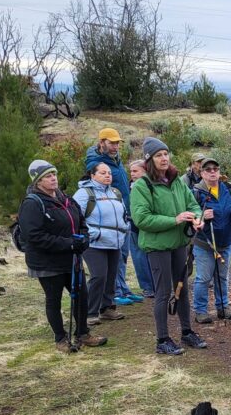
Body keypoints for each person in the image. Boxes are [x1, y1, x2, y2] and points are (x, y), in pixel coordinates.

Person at [17, 160, 107, 352]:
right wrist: (68, 243)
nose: (53, 178)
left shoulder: (66, 198)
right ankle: (60, 339)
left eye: (54, 174)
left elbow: (81, 222)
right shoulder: (32, 203)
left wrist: (83, 239)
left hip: (71, 259)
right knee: (54, 299)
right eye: (48, 176)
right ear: (38, 181)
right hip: (47, 263)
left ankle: (82, 333)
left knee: (82, 296)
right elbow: (34, 236)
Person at [130, 137, 208, 356]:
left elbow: (192, 204)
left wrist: (197, 218)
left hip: (179, 244)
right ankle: (162, 339)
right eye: (158, 155)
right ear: (149, 160)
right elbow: (142, 219)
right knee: (163, 293)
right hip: (157, 247)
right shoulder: (142, 186)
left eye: (165, 154)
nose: (164, 158)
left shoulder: (176, 181)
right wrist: (175, 219)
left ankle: (187, 332)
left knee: (181, 289)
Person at [84, 127, 141, 305]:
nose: (116, 146)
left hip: (123, 213)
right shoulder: (96, 163)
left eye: (117, 143)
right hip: (108, 216)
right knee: (113, 255)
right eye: (112, 143)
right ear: (102, 143)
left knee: (123, 254)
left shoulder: (115, 160)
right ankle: (115, 292)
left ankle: (123, 288)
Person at [73, 162, 130, 327]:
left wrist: (125, 228)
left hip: (115, 241)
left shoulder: (115, 192)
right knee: (99, 276)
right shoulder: (84, 194)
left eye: (109, 173)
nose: (107, 176)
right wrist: (93, 234)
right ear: (93, 175)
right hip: (94, 244)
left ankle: (106, 308)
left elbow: (123, 214)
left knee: (111, 276)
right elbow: (76, 218)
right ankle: (90, 312)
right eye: (103, 173)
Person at [191, 157, 231, 323]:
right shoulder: (196, 192)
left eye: (215, 169)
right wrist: (201, 215)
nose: (212, 172)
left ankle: (223, 307)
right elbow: (190, 215)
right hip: (204, 242)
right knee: (204, 278)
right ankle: (200, 311)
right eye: (208, 170)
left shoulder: (229, 189)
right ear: (202, 173)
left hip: (225, 242)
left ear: (219, 172)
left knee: (222, 277)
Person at [127, 160, 156, 297]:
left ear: (145, 171)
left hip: (150, 225)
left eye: (135, 171)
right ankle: (147, 287)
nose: (132, 174)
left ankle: (158, 285)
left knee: (153, 256)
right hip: (134, 226)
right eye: (131, 171)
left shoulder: (153, 185)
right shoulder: (129, 186)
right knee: (139, 258)